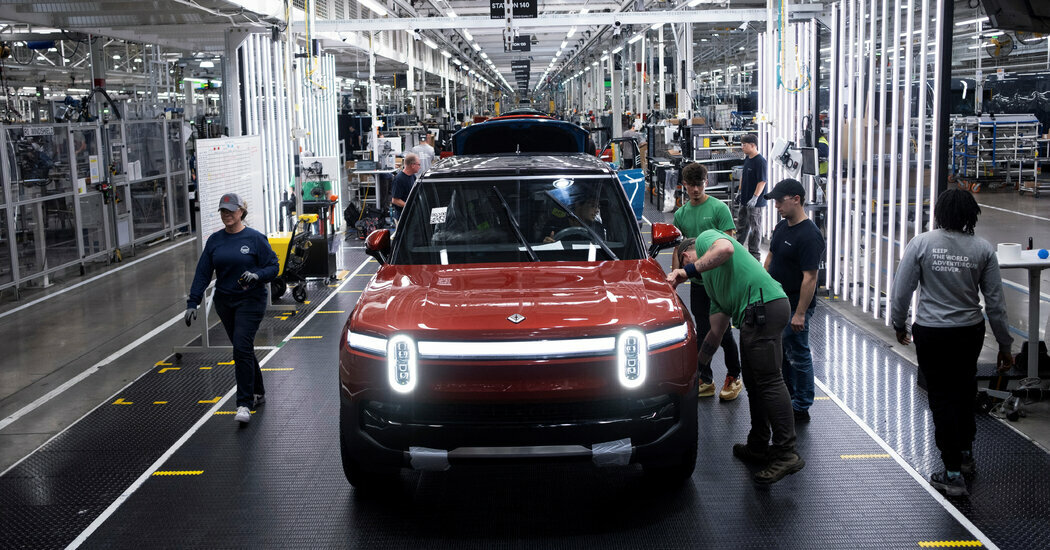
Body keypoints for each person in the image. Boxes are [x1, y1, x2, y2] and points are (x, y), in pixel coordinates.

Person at [890, 188, 1013, 497]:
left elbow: (901, 291)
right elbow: (996, 304)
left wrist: (899, 323)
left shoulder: (921, 243)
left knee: (942, 398)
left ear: (939, 214)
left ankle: (952, 472)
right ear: (972, 215)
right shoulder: (983, 249)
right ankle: (966, 454)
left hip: (932, 332)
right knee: (964, 391)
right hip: (969, 332)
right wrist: (1004, 344)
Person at [667, 230, 803, 485]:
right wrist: (696, 369)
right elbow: (715, 333)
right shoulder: (712, 286)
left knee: (770, 382)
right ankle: (758, 444)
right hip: (757, 314)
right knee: (754, 383)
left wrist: (686, 271)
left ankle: (786, 452)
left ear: (686, 255)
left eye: (685, 263)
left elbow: (726, 250)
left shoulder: (706, 239)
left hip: (764, 306)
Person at [185, 193, 280, 424]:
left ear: (241, 211)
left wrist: (257, 275)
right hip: (225, 302)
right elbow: (203, 273)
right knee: (243, 348)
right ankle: (258, 391)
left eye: (231, 210)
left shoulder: (255, 239)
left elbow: (273, 267)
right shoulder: (215, 241)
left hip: (251, 301)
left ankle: (244, 403)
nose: (227, 214)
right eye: (223, 211)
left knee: (240, 347)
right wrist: (193, 302)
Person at [671, 162, 743, 401]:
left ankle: (734, 376)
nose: (695, 190)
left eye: (699, 185)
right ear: (684, 185)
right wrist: (675, 276)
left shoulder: (719, 209)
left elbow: (729, 245)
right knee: (702, 331)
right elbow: (678, 248)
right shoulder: (681, 215)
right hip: (698, 284)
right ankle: (706, 379)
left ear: (706, 183)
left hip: (720, 283)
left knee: (723, 332)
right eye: (691, 185)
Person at [763, 179, 825, 423]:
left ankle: (801, 404)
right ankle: (789, 396)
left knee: (798, 353)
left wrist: (800, 313)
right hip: (777, 301)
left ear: (796, 199)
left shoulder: (810, 235)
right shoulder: (781, 227)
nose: (776, 205)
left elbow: (810, 278)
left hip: (795, 304)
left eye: (780, 201)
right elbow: (770, 258)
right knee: (782, 351)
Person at [736, 133, 767, 260]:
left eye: (744, 145)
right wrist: (739, 191)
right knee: (741, 226)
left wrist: (755, 197)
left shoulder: (760, 161)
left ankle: (755, 256)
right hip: (744, 199)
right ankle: (737, 249)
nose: (742, 147)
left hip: (756, 203)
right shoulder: (748, 159)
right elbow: (743, 176)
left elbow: (762, 181)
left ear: (753, 145)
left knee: (755, 229)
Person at [390, 152, 421, 221]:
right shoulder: (399, 179)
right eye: (419, 165)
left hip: (410, 215)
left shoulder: (412, 176)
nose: (420, 167)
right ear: (413, 165)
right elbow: (395, 200)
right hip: (402, 218)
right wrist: (410, 206)